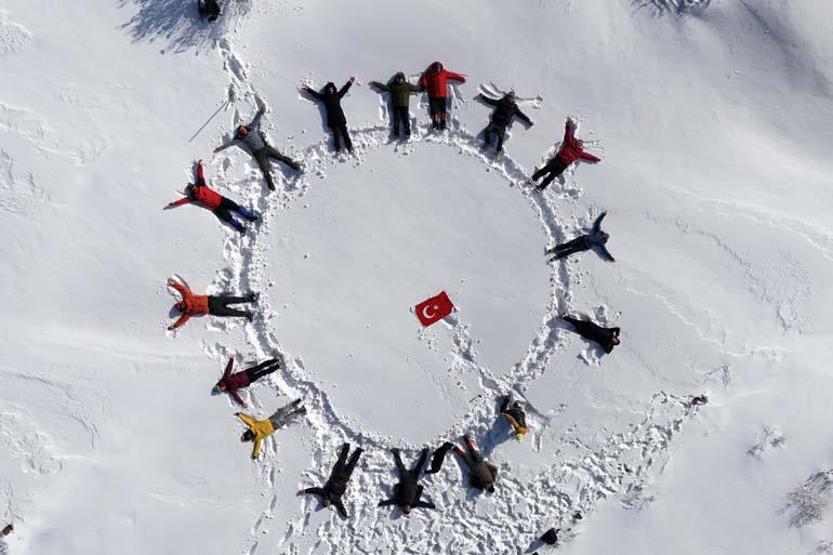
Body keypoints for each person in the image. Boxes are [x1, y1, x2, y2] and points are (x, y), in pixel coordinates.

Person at [214, 107, 302, 191]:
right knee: (265, 170)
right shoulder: (240, 139)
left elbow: (256, 119)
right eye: (241, 131)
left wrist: (261, 111)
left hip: (266, 148)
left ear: (245, 128)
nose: (243, 131)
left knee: (280, 157)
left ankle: (294, 166)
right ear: (240, 133)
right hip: (258, 154)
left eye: (243, 129)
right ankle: (271, 185)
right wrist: (221, 148)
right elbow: (230, 143)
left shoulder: (251, 128)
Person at [164, 160, 258, 235]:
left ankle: (249, 216)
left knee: (236, 207)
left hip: (221, 200)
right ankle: (241, 228)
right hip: (216, 208)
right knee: (229, 219)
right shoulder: (194, 197)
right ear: (192, 190)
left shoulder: (201, 184)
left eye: (193, 186)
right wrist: (175, 203)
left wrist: (200, 165)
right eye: (193, 187)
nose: (194, 187)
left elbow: (200, 175)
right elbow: (184, 200)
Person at [532, 118, 601, 191]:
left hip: (563, 165)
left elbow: (588, 156)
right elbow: (568, 135)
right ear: (576, 142)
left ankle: (540, 188)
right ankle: (533, 179)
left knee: (551, 177)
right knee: (545, 170)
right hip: (558, 160)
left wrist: (595, 158)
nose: (579, 144)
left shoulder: (580, 153)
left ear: (581, 145)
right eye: (578, 142)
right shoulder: (570, 143)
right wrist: (568, 126)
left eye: (580, 144)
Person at [298, 443, 363, 518]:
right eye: (327, 503)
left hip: (336, 474)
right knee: (351, 465)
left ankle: (346, 447)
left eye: (324, 502)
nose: (326, 501)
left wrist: (305, 491)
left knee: (341, 461)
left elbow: (315, 490)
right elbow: (341, 507)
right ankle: (358, 451)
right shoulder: (336, 500)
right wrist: (345, 515)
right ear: (329, 504)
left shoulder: (324, 493)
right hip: (344, 479)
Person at [167, 277, 257, 330]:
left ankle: (249, 299)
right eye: (180, 307)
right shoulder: (187, 313)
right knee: (230, 312)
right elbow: (181, 321)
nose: (181, 305)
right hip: (213, 309)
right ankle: (246, 314)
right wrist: (174, 326)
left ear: (180, 302)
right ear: (181, 309)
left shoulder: (187, 298)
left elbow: (182, 289)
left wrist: (174, 284)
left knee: (232, 300)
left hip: (212, 301)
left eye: (180, 304)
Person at [236, 399, 305, 460]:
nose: (248, 436)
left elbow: (247, 420)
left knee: (285, 415)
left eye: (246, 436)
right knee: (284, 414)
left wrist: (240, 415)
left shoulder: (254, 429)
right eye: (247, 437)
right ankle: (297, 409)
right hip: (273, 423)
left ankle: (296, 407)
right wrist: (254, 454)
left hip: (273, 423)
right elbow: (257, 446)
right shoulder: (256, 436)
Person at [302, 78, 356, 153]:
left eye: (332, 89)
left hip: (340, 118)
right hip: (333, 120)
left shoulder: (337, 95)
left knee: (345, 133)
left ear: (334, 89)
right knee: (336, 135)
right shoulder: (325, 98)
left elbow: (344, 89)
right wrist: (308, 89)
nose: (331, 90)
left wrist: (350, 82)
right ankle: (338, 149)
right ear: (327, 90)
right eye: (329, 89)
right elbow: (316, 95)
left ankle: (349, 147)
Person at [378, 448, 436, 514]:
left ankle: (395, 452)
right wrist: (431, 506)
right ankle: (425, 452)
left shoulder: (400, 502)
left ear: (403, 508)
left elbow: (391, 502)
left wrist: (382, 503)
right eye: (408, 509)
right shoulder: (414, 503)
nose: (406, 507)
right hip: (414, 481)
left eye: (405, 508)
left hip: (405, 480)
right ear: (410, 509)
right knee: (419, 466)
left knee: (401, 467)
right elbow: (423, 504)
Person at [369, 72, 423, 138]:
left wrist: (423, 88)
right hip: (396, 106)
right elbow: (384, 87)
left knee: (405, 120)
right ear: (396, 79)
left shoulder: (407, 85)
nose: (400, 80)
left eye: (401, 78)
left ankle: (407, 133)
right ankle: (396, 134)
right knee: (396, 120)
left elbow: (416, 88)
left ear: (403, 79)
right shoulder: (392, 86)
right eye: (398, 78)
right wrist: (376, 83)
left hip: (404, 105)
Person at [213, 357, 282, 407]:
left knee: (260, 367)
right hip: (248, 381)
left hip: (245, 373)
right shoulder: (230, 390)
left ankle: (275, 360)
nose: (222, 389)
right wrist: (242, 403)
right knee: (262, 373)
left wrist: (231, 359)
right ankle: (277, 366)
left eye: (220, 388)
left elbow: (228, 369)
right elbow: (236, 396)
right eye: (221, 391)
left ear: (220, 385)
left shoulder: (225, 378)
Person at [546, 212, 614, 262]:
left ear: (605, 237)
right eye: (605, 235)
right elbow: (597, 223)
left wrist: (609, 257)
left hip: (584, 243)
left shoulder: (600, 239)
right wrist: (603, 215)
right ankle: (555, 252)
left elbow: (597, 223)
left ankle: (555, 254)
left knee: (570, 248)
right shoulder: (599, 235)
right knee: (569, 247)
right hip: (583, 242)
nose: (604, 235)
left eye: (605, 235)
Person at [418, 61, 465, 130]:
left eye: (439, 67)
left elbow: (453, 75)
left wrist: (461, 78)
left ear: (441, 67)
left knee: (443, 110)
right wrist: (424, 84)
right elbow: (423, 78)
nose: (438, 69)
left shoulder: (444, 72)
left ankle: (443, 123)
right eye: (436, 67)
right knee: (434, 111)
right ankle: (435, 124)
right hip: (433, 95)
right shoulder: (430, 73)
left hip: (442, 95)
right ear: (434, 67)